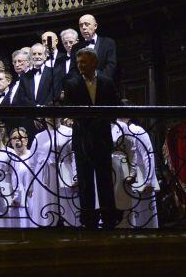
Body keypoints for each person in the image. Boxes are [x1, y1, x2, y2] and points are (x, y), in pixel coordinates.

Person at [61, 46, 122, 229]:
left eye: (84, 62)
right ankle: (88, 220)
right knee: (85, 180)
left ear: (94, 62)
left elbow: (116, 104)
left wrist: (104, 119)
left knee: (105, 178)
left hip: (102, 136)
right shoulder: (72, 84)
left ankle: (109, 218)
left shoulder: (106, 81)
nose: (80, 66)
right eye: (78, 62)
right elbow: (68, 108)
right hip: (82, 137)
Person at [78, 14, 118, 82]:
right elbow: (73, 70)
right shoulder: (76, 48)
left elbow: (111, 66)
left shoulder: (108, 43)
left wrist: (98, 81)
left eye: (86, 24)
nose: (83, 27)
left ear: (95, 26)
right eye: (81, 25)